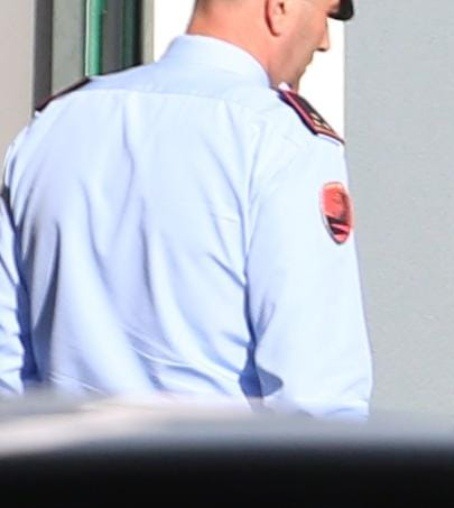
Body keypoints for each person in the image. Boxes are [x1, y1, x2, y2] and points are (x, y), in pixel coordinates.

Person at [0, 0, 370, 419]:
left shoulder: (53, 125)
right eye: (324, 15)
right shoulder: (281, 140)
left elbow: (9, 380)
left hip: (72, 459)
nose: (323, 41)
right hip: (210, 459)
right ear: (279, 7)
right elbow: (317, 402)